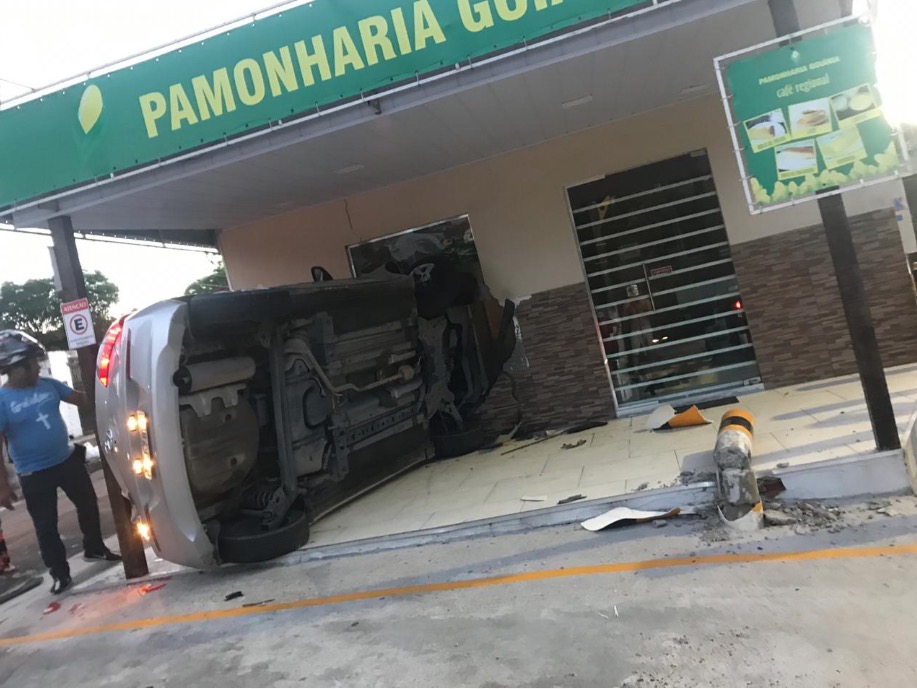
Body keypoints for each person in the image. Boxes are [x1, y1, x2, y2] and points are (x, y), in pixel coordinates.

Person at [0, 330, 120, 594]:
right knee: (46, 526)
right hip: (33, 473)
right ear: (16, 367)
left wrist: (105, 383)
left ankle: (95, 548)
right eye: (32, 363)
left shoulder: (49, 385)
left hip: (66, 461)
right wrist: (3, 485)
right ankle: (60, 574)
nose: (37, 367)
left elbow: (82, 399)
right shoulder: (2, 400)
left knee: (88, 503)